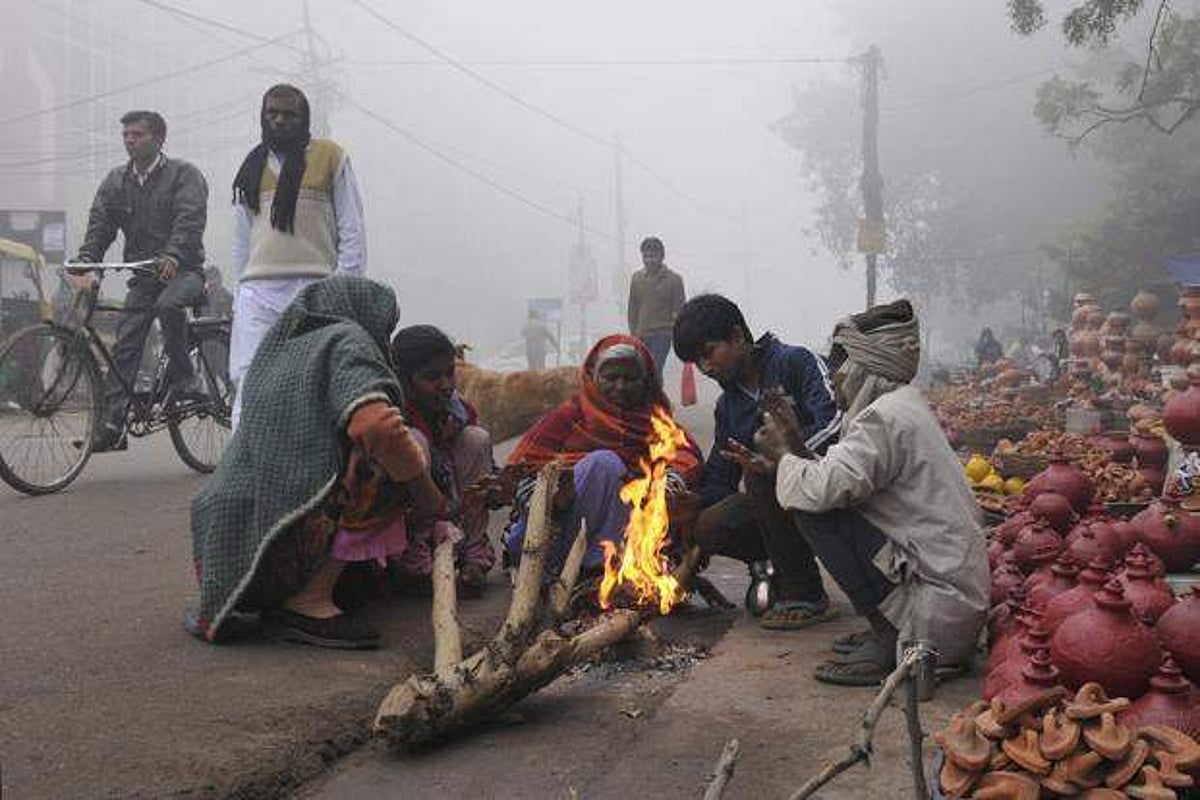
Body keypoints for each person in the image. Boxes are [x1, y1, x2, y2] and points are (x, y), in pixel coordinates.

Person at [731, 299, 988, 686]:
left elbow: (821, 492)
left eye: (839, 366)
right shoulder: (901, 407)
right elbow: (840, 477)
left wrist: (784, 454)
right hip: (951, 609)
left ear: (863, 367)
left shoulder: (884, 417)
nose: (833, 379)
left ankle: (890, 638)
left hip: (934, 624)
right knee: (811, 493)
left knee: (812, 510)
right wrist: (793, 447)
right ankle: (888, 627)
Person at [189, 276, 439, 649]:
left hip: (226, 556)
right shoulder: (348, 340)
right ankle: (308, 602)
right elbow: (376, 426)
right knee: (392, 454)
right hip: (276, 548)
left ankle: (317, 589)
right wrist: (430, 497)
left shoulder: (284, 349)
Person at [671, 294, 841, 629]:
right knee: (708, 524)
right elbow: (720, 478)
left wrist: (784, 455)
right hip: (782, 507)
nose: (706, 368)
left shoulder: (796, 362)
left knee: (762, 473)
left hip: (832, 486)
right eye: (697, 362)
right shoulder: (728, 406)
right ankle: (772, 566)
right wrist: (691, 503)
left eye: (709, 353)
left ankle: (805, 592)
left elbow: (836, 424)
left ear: (737, 336)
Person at [495, 334, 703, 586]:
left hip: (629, 533)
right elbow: (521, 471)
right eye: (611, 378)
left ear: (646, 381)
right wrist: (554, 494)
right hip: (559, 533)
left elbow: (685, 458)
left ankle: (610, 571)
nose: (620, 387)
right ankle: (589, 568)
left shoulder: (657, 423)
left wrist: (667, 483)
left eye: (630, 379)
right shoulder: (568, 418)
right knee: (604, 464)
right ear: (592, 377)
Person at [229, 84, 367, 429]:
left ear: (303, 117)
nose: (279, 120)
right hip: (258, 293)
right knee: (250, 383)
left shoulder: (331, 157)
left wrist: (341, 288)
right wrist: (239, 294)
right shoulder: (251, 166)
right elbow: (242, 240)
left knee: (315, 385)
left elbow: (352, 230)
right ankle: (243, 460)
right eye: (271, 113)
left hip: (314, 290)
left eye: (288, 114)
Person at [74, 110, 209, 452]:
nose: (129, 140)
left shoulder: (184, 174)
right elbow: (100, 224)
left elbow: (190, 219)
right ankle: (113, 425)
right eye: (126, 135)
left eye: (137, 134)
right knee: (125, 346)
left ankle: (186, 378)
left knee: (168, 304)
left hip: (185, 272)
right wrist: (88, 258)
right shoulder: (116, 182)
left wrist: (174, 254)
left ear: (158, 139)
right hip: (145, 277)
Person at [389, 325, 497, 597]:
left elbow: (482, 470)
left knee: (476, 439)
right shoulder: (390, 414)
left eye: (449, 373)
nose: (446, 385)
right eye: (432, 377)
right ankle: (414, 563)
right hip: (411, 517)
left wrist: (499, 486)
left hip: (451, 510)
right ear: (404, 379)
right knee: (413, 444)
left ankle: (474, 557)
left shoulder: (458, 411)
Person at [627, 236, 686, 380]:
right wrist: (634, 333)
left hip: (662, 334)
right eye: (646, 256)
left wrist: (678, 334)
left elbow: (681, 311)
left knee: (654, 368)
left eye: (653, 256)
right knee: (641, 370)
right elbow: (633, 308)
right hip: (641, 334)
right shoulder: (637, 279)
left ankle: (655, 393)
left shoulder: (674, 280)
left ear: (662, 256)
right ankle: (649, 393)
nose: (649, 260)